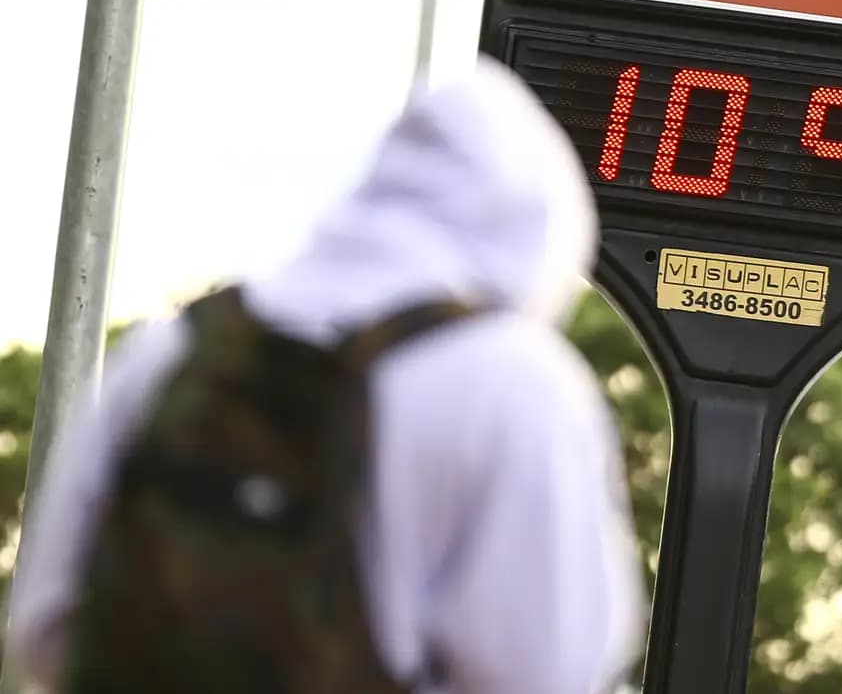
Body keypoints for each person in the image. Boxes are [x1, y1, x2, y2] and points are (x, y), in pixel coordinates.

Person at [6, 56, 645, 693]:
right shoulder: (517, 384)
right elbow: (551, 667)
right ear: (540, 232)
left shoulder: (168, 349)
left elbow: (42, 625)